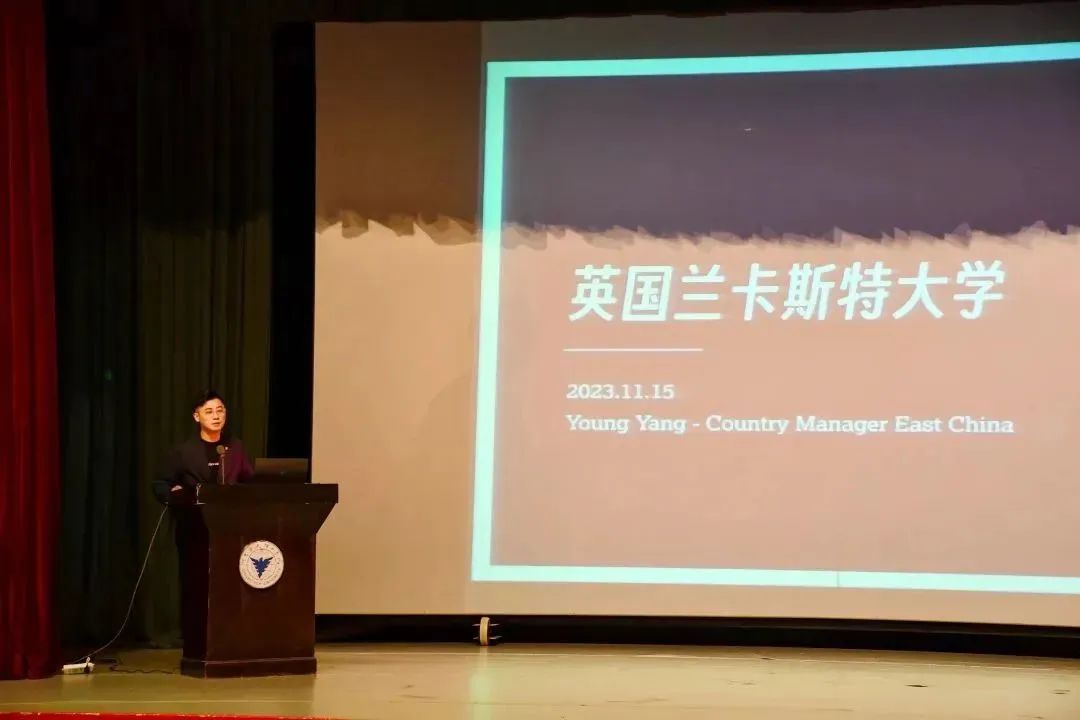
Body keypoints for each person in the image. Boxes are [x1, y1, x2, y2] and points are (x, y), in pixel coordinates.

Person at [154, 390, 254, 503]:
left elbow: (249, 481)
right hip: (195, 510)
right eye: (209, 412)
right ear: (197, 417)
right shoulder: (184, 451)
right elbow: (161, 484)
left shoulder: (236, 446)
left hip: (229, 509)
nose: (216, 416)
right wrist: (173, 494)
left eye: (220, 410)